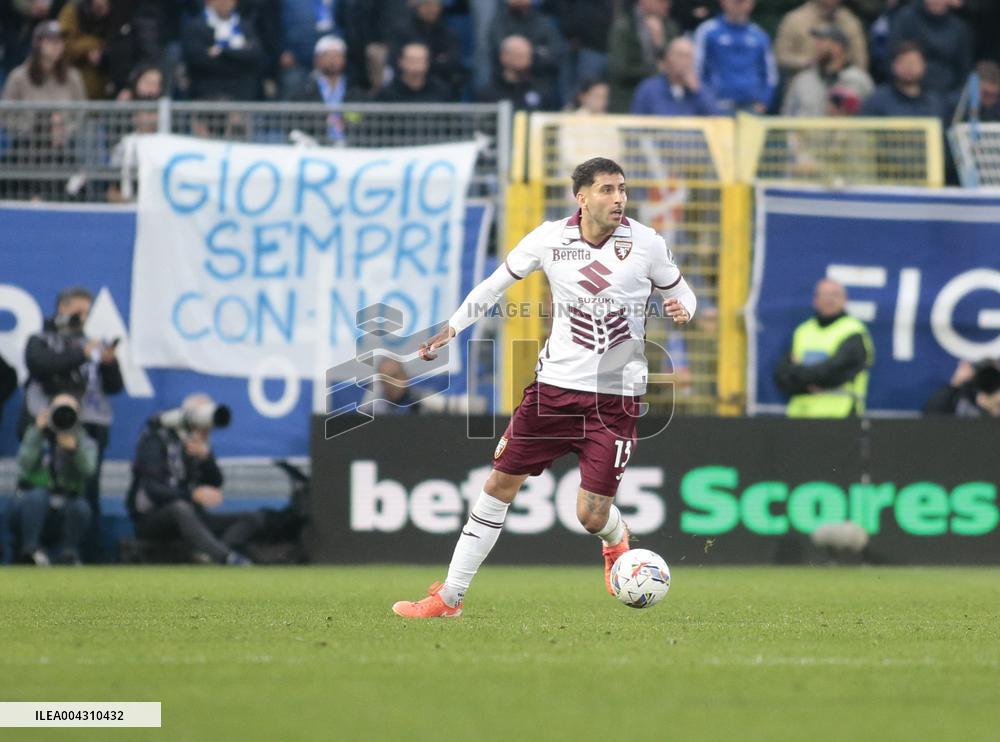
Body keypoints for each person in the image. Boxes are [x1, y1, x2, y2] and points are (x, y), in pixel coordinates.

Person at [391, 157, 697, 618]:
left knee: (590, 516)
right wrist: (451, 329)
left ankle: (616, 538)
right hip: (552, 391)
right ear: (582, 197)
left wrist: (683, 309)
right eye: (608, 190)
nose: (619, 199)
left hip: (615, 399)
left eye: (623, 190)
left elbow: (683, 292)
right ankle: (448, 598)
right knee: (497, 485)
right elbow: (493, 286)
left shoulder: (646, 243)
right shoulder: (550, 238)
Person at [23, 286, 122, 549]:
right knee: (38, 487)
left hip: (88, 425)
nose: (84, 317)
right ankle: (32, 549)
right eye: (79, 310)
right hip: (45, 421)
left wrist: (110, 362)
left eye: (88, 312)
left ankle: (84, 554)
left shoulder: (91, 343)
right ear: (62, 308)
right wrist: (82, 353)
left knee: (87, 490)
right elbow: (41, 366)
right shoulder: (42, 340)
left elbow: (114, 386)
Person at [127, 394, 259, 565]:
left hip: (192, 519)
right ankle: (227, 558)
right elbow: (153, 489)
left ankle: (210, 554)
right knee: (180, 509)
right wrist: (192, 495)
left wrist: (206, 458)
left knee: (251, 518)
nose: (206, 427)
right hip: (152, 519)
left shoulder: (195, 445)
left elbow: (216, 482)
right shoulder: (155, 440)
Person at [14, 394, 97, 565]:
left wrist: (74, 451)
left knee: (81, 507)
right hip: (31, 502)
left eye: (69, 410)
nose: (63, 415)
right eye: (59, 409)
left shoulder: (82, 438)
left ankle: (69, 554)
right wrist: (37, 433)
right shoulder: (36, 431)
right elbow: (24, 463)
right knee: (36, 498)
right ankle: (30, 551)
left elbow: (88, 470)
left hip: (67, 501)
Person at [774, 278, 874, 418]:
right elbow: (782, 375)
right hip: (800, 416)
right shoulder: (803, 330)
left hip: (841, 415)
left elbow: (837, 370)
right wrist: (809, 383)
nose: (829, 300)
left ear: (845, 299)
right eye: (824, 295)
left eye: (835, 295)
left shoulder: (854, 331)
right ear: (815, 300)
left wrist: (798, 374)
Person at [693, 0, 778, 113]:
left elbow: (771, 75)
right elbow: (695, 69)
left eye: (743, 1)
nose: (739, 4)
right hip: (716, 106)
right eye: (735, 1)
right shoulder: (707, 31)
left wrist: (763, 101)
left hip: (751, 107)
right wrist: (707, 102)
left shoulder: (759, 36)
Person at [57, 0, 142, 99]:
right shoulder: (74, 9)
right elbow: (63, 44)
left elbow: (123, 47)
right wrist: (93, 46)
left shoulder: (119, 12)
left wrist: (104, 54)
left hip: (108, 82)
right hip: (74, 78)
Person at [181, 0, 264, 101]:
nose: (225, 2)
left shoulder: (245, 26)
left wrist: (222, 51)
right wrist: (239, 55)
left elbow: (255, 54)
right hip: (207, 96)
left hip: (241, 96)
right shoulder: (196, 26)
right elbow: (197, 59)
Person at [781, 26, 873, 117]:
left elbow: (870, 118)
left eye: (822, 41)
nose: (817, 46)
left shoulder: (859, 80)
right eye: (817, 41)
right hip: (809, 131)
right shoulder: (802, 79)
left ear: (838, 47)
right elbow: (787, 117)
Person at [607, 0, 679, 113]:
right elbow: (620, 70)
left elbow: (675, 67)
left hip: (664, 102)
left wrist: (660, 44)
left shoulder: (670, 27)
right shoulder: (624, 27)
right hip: (628, 99)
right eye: (661, 1)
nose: (667, 4)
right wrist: (655, 70)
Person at [888, 0, 972, 95]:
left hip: (947, 93)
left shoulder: (959, 28)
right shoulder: (906, 18)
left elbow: (963, 67)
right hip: (907, 89)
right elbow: (891, 55)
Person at [488, 0, 563, 102]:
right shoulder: (499, 23)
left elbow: (555, 54)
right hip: (503, 86)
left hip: (537, 81)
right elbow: (501, 48)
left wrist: (529, 54)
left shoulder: (543, 23)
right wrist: (536, 51)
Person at [773, 0, 868, 80]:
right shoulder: (794, 20)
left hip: (843, 85)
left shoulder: (850, 22)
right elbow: (780, 57)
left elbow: (860, 61)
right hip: (802, 85)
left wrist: (840, 61)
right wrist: (808, 62)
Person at [388, 0, 465, 98]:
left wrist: (416, 63)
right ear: (418, 6)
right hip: (402, 89)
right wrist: (437, 60)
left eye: (436, 5)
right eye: (427, 5)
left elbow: (453, 63)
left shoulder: (450, 34)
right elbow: (394, 60)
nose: (432, 9)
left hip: (440, 87)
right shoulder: (402, 32)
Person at [631, 36, 721, 116]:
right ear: (668, 58)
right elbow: (637, 122)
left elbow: (718, 121)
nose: (685, 61)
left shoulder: (702, 89)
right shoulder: (649, 89)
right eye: (681, 55)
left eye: (689, 56)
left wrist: (697, 91)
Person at [862, 41, 943, 118]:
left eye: (913, 63)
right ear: (893, 66)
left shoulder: (934, 103)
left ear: (923, 66)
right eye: (903, 62)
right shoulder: (877, 101)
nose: (909, 67)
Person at [477, 34, 556, 112]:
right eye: (519, 56)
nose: (525, 62)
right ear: (504, 57)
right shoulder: (488, 94)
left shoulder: (542, 91)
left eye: (528, 56)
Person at [374, 40, 451, 103]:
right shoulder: (387, 94)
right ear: (401, 62)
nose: (415, 65)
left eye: (420, 60)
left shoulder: (441, 91)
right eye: (411, 60)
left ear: (427, 63)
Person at [923, 360, 1000, 417]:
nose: (989, 381)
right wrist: (955, 383)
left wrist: (994, 410)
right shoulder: (964, 392)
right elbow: (929, 414)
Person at [359, 357, 429, 415]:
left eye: (394, 377)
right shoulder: (373, 410)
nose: (390, 384)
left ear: (404, 376)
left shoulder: (427, 402)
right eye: (384, 380)